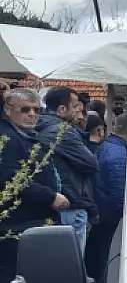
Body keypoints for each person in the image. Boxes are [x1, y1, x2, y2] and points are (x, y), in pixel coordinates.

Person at [0, 89, 69, 283]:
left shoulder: (26, 136)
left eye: (36, 110)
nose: (32, 115)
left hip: (28, 219)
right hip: (15, 220)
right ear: (8, 109)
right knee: (8, 276)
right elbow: (10, 178)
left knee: (20, 275)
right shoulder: (6, 138)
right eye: (25, 109)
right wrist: (49, 196)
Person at [38, 86, 97, 256]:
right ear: (62, 109)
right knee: (72, 264)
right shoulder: (62, 131)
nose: (80, 110)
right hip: (71, 202)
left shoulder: (42, 126)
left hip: (57, 202)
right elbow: (91, 164)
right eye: (76, 106)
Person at [86, 113, 127, 283]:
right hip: (110, 216)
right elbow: (118, 191)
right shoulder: (119, 155)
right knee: (108, 257)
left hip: (101, 212)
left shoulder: (107, 147)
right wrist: (122, 216)